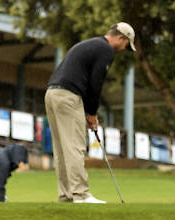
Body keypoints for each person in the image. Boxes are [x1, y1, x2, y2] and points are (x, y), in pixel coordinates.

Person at [44, 22, 135, 203]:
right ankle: (81, 194)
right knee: (75, 146)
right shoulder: (106, 50)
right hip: (68, 96)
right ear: (121, 38)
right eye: (126, 45)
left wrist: (87, 111)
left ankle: (66, 195)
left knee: (62, 149)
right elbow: (96, 83)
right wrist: (92, 113)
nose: (124, 49)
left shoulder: (92, 44)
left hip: (52, 94)